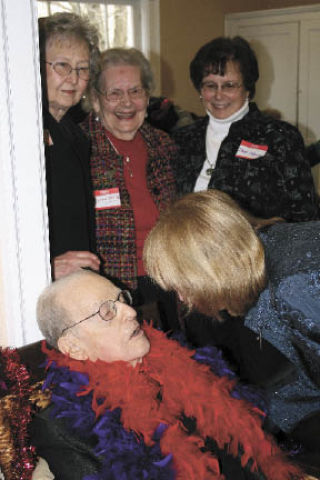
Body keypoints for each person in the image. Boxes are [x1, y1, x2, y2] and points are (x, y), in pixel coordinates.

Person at [30, 269, 304, 480]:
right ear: (74, 347)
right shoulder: (61, 428)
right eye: (106, 311)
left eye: (121, 299)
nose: (128, 311)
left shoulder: (183, 363)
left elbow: (253, 445)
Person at [144, 189, 320, 475]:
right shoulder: (268, 253)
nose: (183, 299)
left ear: (210, 269)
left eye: (182, 285)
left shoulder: (294, 284)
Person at [81, 48, 178, 330]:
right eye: (114, 93)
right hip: (106, 289)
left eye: (135, 91)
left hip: (166, 282)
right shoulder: (78, 148)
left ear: (147, 97)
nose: (126, 103)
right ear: (97, 100)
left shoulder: (164, 145)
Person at [171, 36, 319, 222]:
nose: (218, 95)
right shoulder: (181, 139)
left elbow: (305, 215)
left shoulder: (279, 137)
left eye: (229, 85)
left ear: (247, 88)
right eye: (210, 85)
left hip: (257, 249)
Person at [39, 13, 101, 280]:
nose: (73, 78)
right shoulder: (17, 134)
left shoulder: (75, 134)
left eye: (82, 68)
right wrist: (46, 265)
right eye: (62, 65)